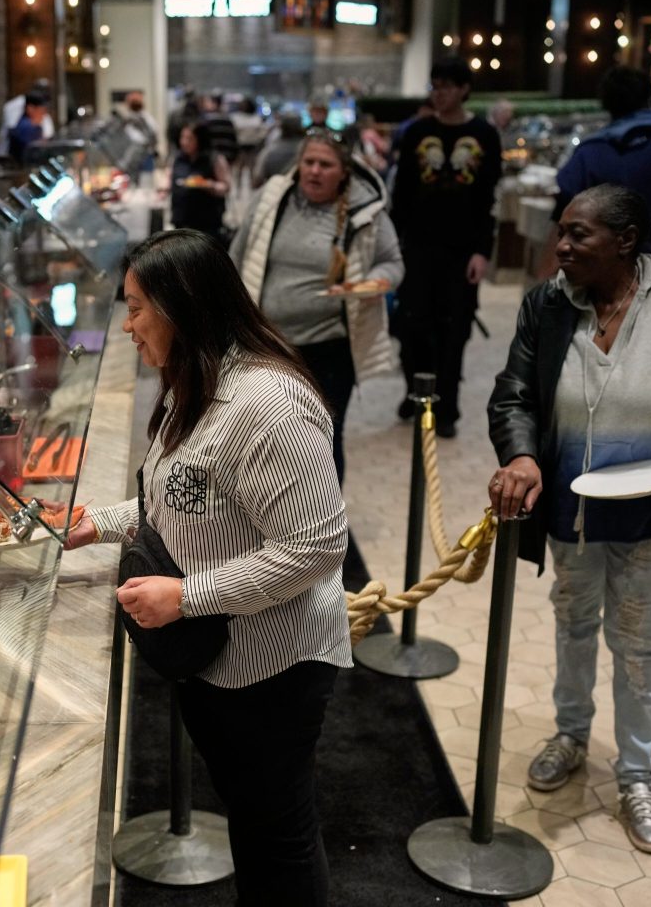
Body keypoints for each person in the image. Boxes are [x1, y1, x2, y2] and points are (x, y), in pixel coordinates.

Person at [65, 229, 352, 906]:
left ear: (182, 305)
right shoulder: (194, 383)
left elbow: (317, 547)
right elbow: (183, 500)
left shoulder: (266, 405)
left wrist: (188, 596)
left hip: (273, 666)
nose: (128, 326)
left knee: (278, 834)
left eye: (136, 307)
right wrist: (97, 524)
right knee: (254, 824)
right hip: (218, 660)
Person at [488, 184, 651, 855]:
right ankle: (571, 737)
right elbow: (513, 393)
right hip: (571, 515)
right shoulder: (548, 305)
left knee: (638, 645)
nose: (561, 246)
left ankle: (637, 774)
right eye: (562, 233)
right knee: (572, 624)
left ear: (626, 243)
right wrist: (520, 454)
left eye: (579, 235)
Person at [230, 127, 402, 484]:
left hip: (330, 351)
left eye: (325, 164)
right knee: (263, 434)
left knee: (321, 441)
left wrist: (377, 283)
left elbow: (392, 262)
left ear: (344, 171)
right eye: (308, 162)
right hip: (268, 346)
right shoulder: (273, 198)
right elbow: (238, 254)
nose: (314, 171)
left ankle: (322, 520)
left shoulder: (366, 210)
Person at [390, 58, 502, 437]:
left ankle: (447, 408)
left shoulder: (484, 134)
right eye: (435, 86)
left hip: (461, 251)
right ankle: (416, 393)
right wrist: (393, 247)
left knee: (455, 331)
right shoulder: (417, 132)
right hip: (416, 248)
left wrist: (482, 251)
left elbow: (489, 199)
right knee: (411, 326)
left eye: (447, 86)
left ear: (464, 89)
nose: (439, 93)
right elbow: (401, 194)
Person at [544, 67, 651, 269]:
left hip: (617, 281)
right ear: (649, 99)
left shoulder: (593, 154)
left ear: (606, 105)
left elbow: (564, 216)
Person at [169, 122, 231, 241]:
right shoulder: (178, 158)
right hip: (181, 221)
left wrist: (209, 185)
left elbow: (226, 186)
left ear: (200, 139)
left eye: (189, 138)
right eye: (183, 137)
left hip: (207, 223)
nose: (184, 142)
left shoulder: (214, 159)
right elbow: (172, 179)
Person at [0, 80, 55, 160]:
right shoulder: (16, 104)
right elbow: (13, 130)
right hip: (10, 155)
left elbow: (48, 133)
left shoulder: (42, 108)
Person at [253, 112, 306, 187]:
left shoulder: (270, 150)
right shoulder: (308, 150)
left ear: (282, 127)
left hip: (275, 193)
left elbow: (257, 180)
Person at [114, 90, 161, 167]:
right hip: (136, 157)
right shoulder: (132, 118)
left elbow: (149, 137)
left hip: (143, 157)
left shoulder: (144, 118)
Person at [6, 91, 50, 163]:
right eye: (41, 111)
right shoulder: (25, 127)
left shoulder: (36, 127)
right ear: (30, 108)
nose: (43, 115)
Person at [200, 92, 239, 163]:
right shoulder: (228, 120)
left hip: (210, 159)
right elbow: (233, 140)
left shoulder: (206, 120)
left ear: (214, 103)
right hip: (227, 157)